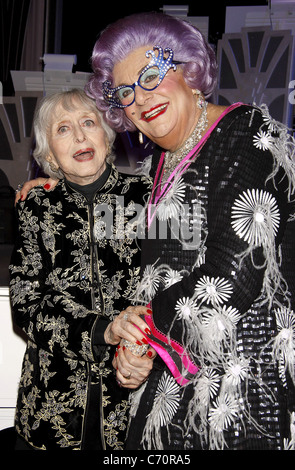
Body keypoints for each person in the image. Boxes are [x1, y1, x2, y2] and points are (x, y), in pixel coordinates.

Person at [18, 12, 295, 450]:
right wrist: (50, 188)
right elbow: (38, 301)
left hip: (234, 392)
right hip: (138, 393)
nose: (141, 98)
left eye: (151, 75)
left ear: (187, 69)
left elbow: (233, 273)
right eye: (126, 92)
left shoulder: (244, 135)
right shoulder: (155, 168)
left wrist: (140, 338)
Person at [9, 88, 153, 450]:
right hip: (52, 406)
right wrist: (103, 331)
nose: (79, 136)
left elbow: (171, 287)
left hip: (132, 400)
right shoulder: (35, 206)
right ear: (50, 155)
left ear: (106, 136)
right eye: (62, 129)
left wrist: (145, 346)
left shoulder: (148, 197)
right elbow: (26, 304)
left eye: (89, 123)